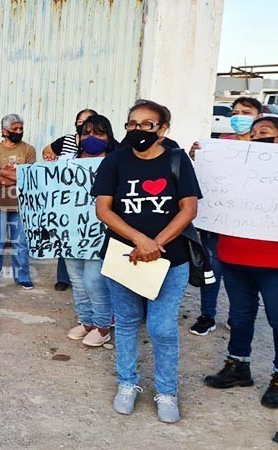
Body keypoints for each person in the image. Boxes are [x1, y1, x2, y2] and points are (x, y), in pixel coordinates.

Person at [92, 100, 201, 423]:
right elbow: (103, 209)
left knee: (162, 327)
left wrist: (156, 244)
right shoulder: (114, 161)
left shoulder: (177, 160)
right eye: (131, 124)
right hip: (124, 257)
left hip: (171, 260)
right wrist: (140, 241)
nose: (137, 130)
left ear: (163, 129)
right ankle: (127, 383)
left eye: (146, 124)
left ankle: (166, 391)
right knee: (125, 323)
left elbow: (189, 209)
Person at [203, 116, 278, 409]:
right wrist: (205, 158)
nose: (258, 137)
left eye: (266, 132)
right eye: (254, 132)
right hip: (234, 255)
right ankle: (238, 365)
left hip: (273, 261)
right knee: (241, 314)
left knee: (277, 319)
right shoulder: (236, 164)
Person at [62, 115, 116, 347]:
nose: (92, 138)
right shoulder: (67, 163)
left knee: (94, 280)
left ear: (109, 137)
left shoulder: (115, 163)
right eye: (87, 133)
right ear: (79, 137)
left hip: (100, 234)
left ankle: (103, 326)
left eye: (99, 133)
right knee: (77, 279)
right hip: (71, 231)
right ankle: (86, 322)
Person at [43, 108, 97, 291]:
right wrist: (50, 157)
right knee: (66, 236)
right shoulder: (66, 141)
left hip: (92, 201)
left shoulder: (103, 144)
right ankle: (64, 278)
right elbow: (47, 151)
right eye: (80, 121)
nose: (83, 124)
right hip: (68, 198)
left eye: (88, 120)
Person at [0, 114, 35, 289]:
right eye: (15, 129)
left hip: (21, 204)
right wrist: (13, 179)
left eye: (21, 128)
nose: (19, 132)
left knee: (20, 242)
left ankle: (22, 276)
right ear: (4, 131)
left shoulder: (28, 150)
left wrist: (3, 174)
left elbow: (29, 176)